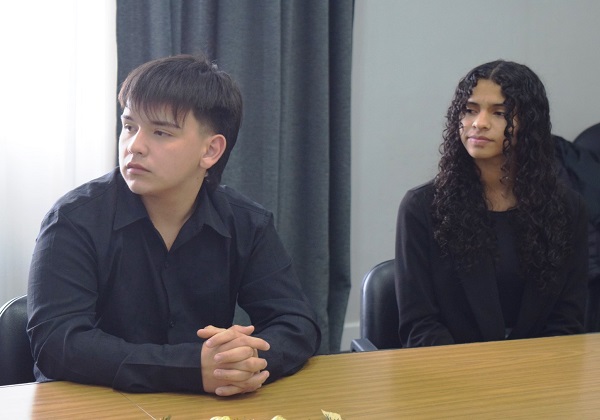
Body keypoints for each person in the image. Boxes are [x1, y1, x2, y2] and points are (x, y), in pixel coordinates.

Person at [27, 54, 321, 395]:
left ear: (211, 151)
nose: (134, 146)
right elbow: (57, 344)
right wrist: (190, 368)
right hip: (92, 404)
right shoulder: (73, 220)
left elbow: (297, 323)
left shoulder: (246, 223)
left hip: (203, 406)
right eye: (129, 126)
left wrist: (246, 359)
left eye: (161, 132)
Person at [395, 60, 588, 347]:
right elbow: (420, 325)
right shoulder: (422, 207)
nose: (479, 123)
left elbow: (567, 321)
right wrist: (481, 371)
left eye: (499, 113)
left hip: (541, 366)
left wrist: (532, 368)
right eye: (470, 110)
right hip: (452, 367)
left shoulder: (567, 209)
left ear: (529, 125)